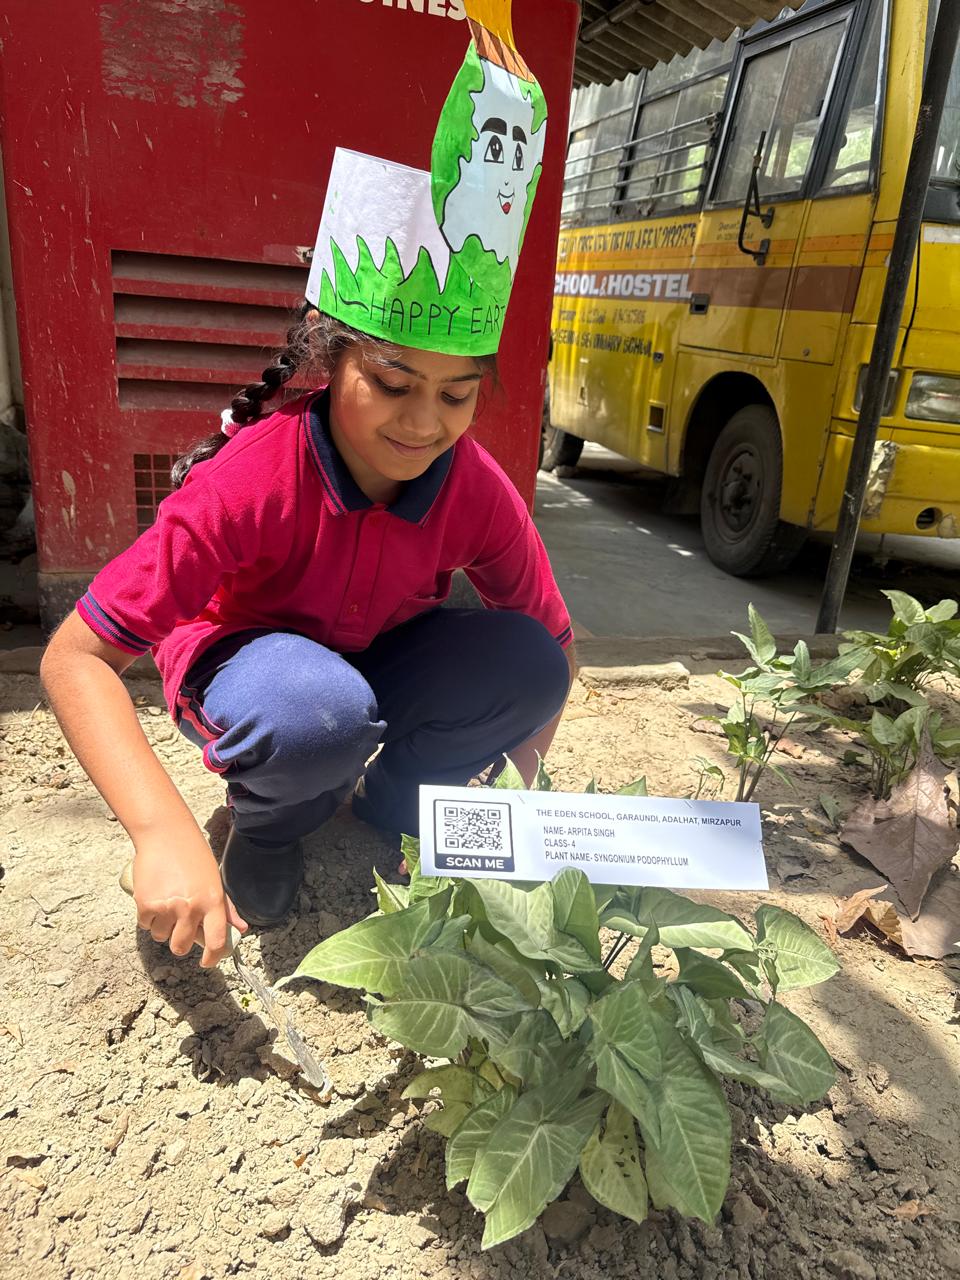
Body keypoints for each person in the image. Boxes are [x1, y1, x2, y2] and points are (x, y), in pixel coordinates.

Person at [40, 0, 572, 970]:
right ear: (332, 364)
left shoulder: (472, 486)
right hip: (257, 669)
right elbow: (75, 658)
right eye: (394, 384)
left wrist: (518, 788)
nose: (424, 424)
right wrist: (159, 826)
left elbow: (552, 643)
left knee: (528, 663)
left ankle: (397, 805)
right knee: (313, 716)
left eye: (457, 395)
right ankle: (271, 824)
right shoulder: (253, 477)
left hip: (374, 660)